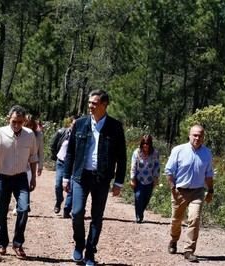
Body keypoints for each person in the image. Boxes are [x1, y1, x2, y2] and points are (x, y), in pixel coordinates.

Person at [62, 89, 127, 266]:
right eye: (89, 103)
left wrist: (118, 182)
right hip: (80, 176)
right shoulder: (80, 124)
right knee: (76, 212)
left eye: (94, 103)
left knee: (97, 216)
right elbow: (70, 153)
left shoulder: (115, 127)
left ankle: (90, 252)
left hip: (102, 178)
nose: (90, 106)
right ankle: (79, 244)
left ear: (104, 105)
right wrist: (66, 177)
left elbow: (121, 157)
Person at [0, 105, 38, 259]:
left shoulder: (29, 135)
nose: (16, 125)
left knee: (23, 209)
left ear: (24, 121)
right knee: (1, 212)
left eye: (20, 122)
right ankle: (2, 243)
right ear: (9, 119)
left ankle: (18, 243)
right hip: (3, 176)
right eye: (14, 121)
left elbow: (33, 158)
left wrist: (33, 177)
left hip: (21, 177)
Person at [164, 124, 214, 262]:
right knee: (176, 220)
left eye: (200, 135)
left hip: (197, 191)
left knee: (194, 218)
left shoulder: (207, 153)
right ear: (189, 135)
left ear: (204, 137)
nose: (197, 138)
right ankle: (174, 240)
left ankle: (189, 250)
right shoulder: (179, 150)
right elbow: (169, 171)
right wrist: (172, 188)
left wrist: (210, 190)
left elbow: (209, 174)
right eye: (195, 135)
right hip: (179, 190)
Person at [12, 114, 44, 215]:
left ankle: (22, 205)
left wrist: (40, 166)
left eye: (30, 125)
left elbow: (41, 152)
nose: (28, 127)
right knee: (16, 185)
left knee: (25, 185)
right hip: (19, 163)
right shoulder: (17, 133)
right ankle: (22, 204)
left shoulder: (38, 135)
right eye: (26, 124)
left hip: (30, 164)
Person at [50, 115, 78, 218]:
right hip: (61, 162)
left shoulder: (81, 136)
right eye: (73, 124)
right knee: (58, 185)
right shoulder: (62, 132)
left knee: (71, 188)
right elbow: (53, 144)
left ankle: (67, 210)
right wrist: (54, 156)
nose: (75, 126)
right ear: (70, 123)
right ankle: (59, 200)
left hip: (73, 165)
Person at [130, 134, 160, 223]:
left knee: (146, 198)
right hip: (139, 179)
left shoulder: (155, 153)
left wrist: (156, 178)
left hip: (150, 179)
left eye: (147, 143)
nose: (145, 145)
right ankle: (139, 216)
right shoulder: (137, 152)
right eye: (144, 143)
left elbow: (157, 166)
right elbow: (133, 166)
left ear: (150, 144)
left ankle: (140, 211)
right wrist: (132, 178)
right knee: (138, 196)